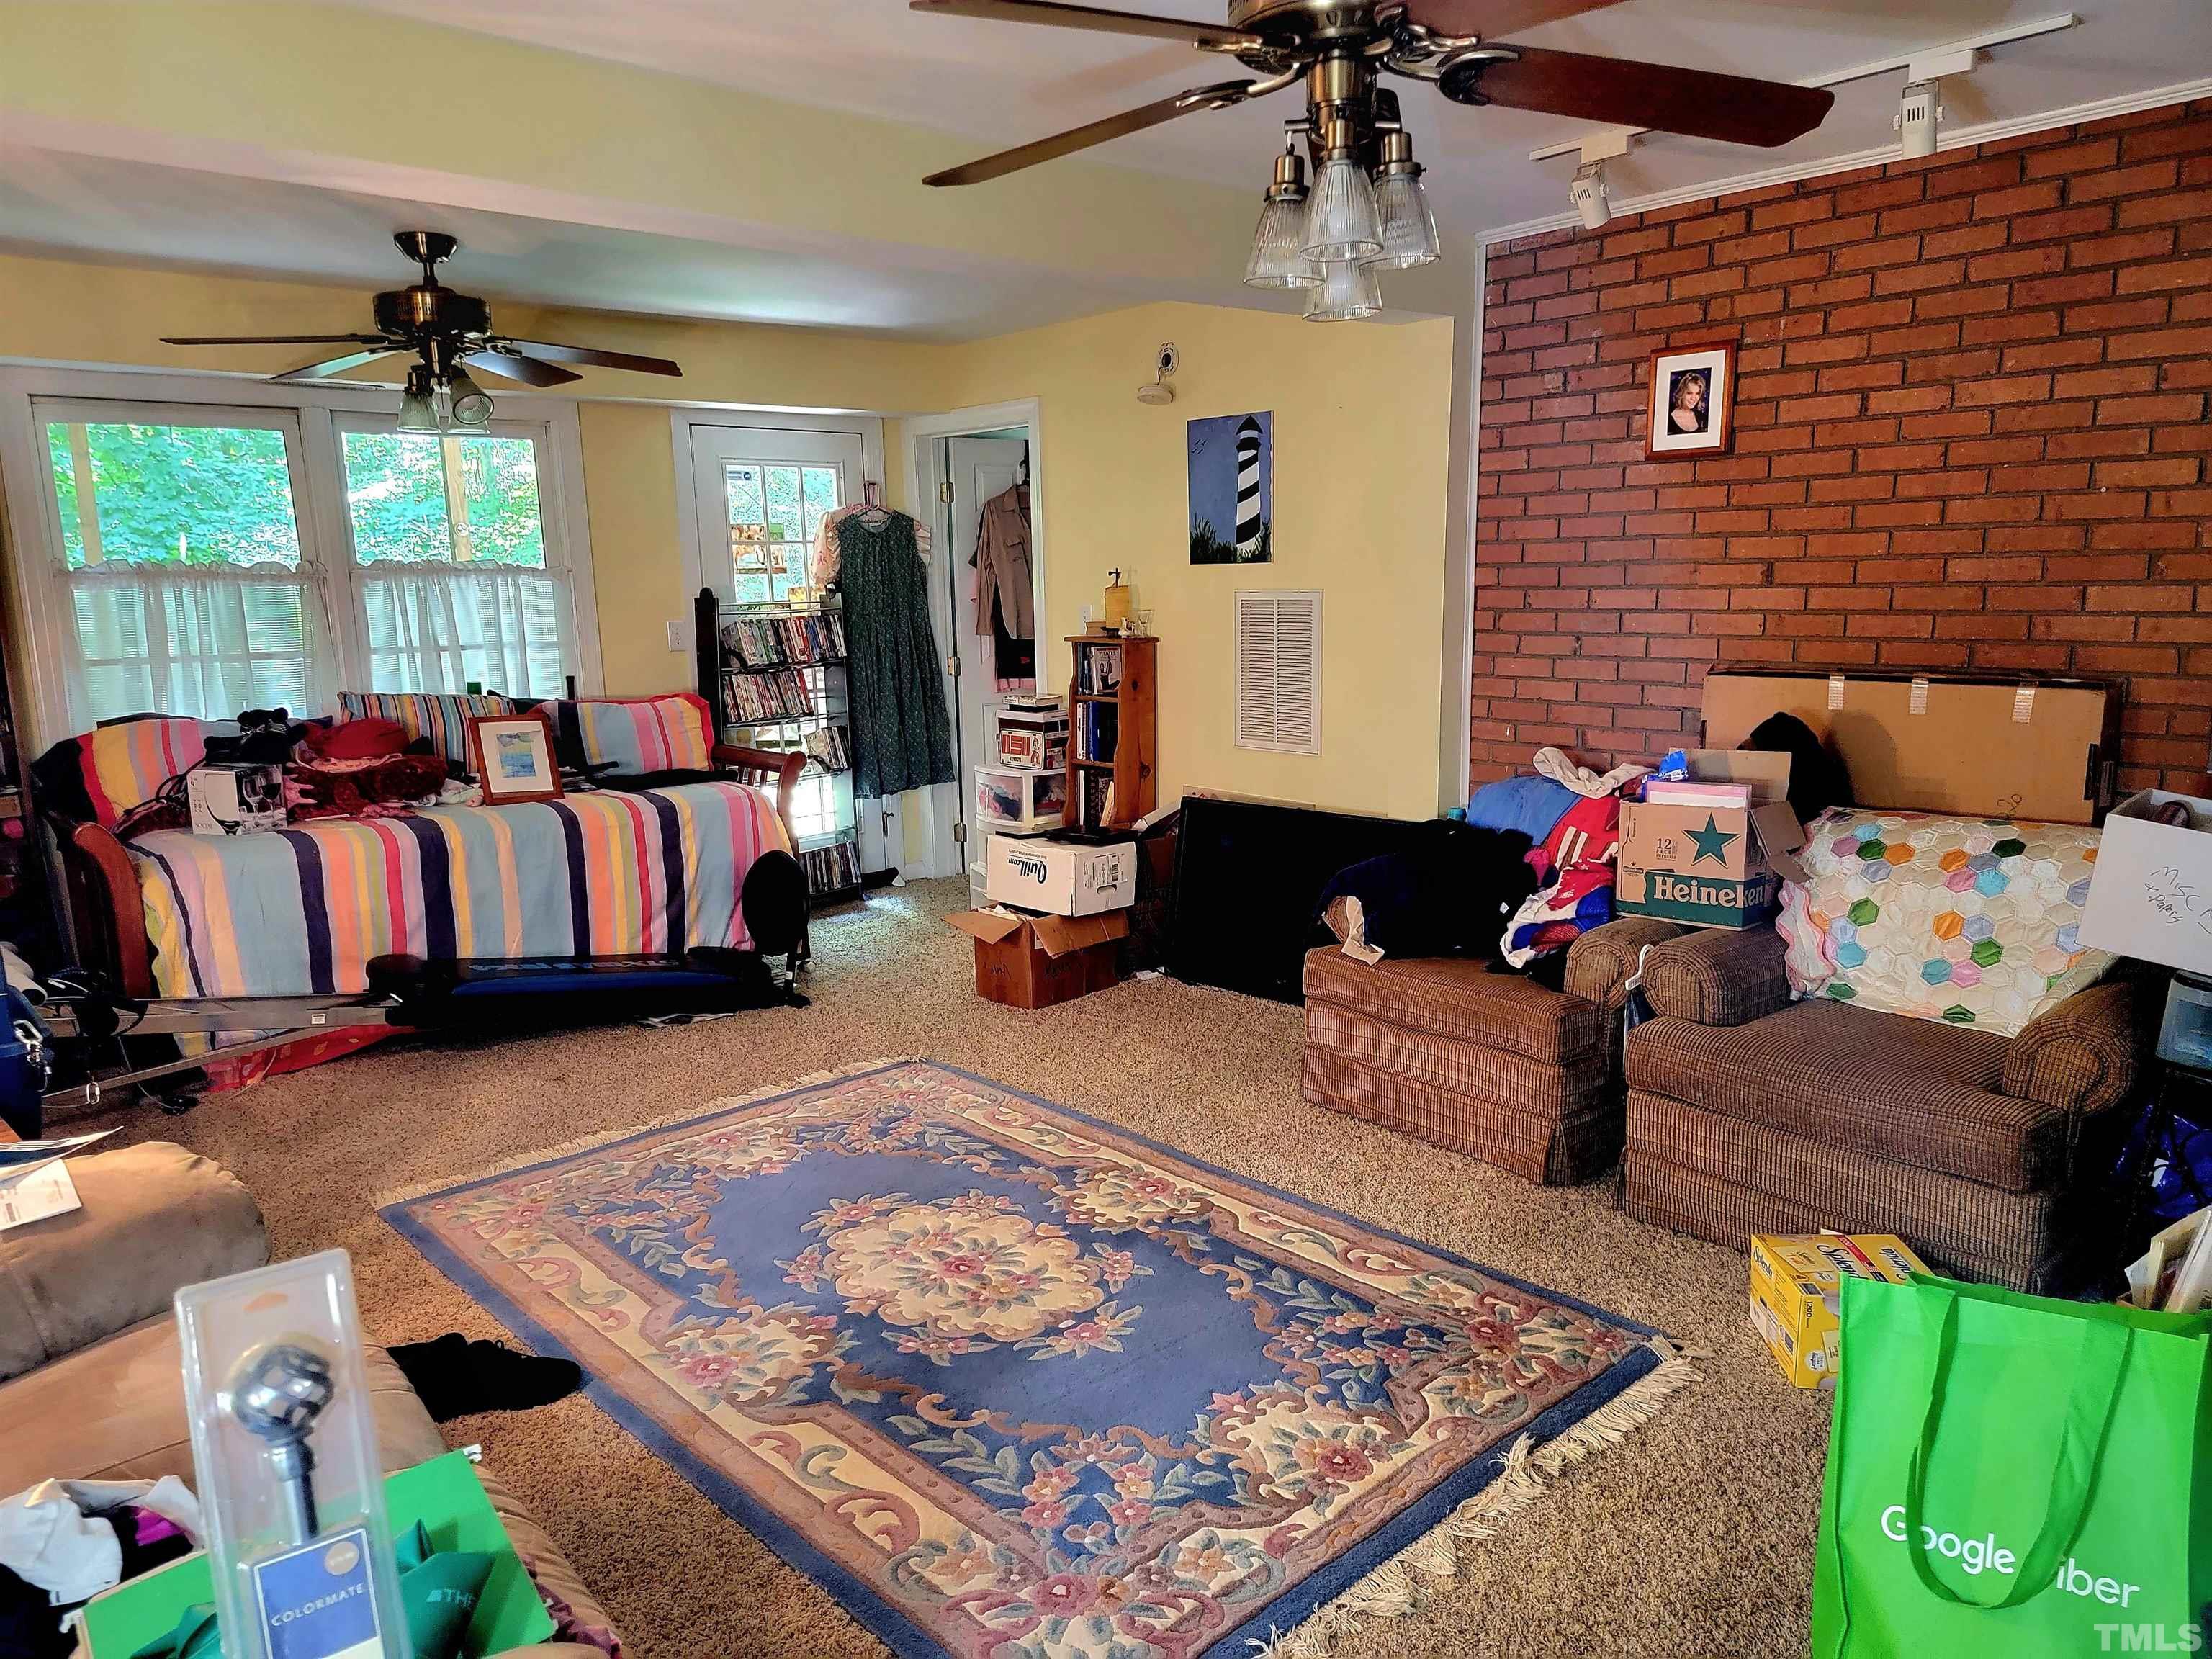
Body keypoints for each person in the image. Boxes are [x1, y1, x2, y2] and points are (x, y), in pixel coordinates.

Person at [1669, 369, 1709, 433]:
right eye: (1689, 393)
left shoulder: (1700, 416)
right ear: (1681, 393)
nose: (1693, 398)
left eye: (1697, 393)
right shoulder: (1670, 420)